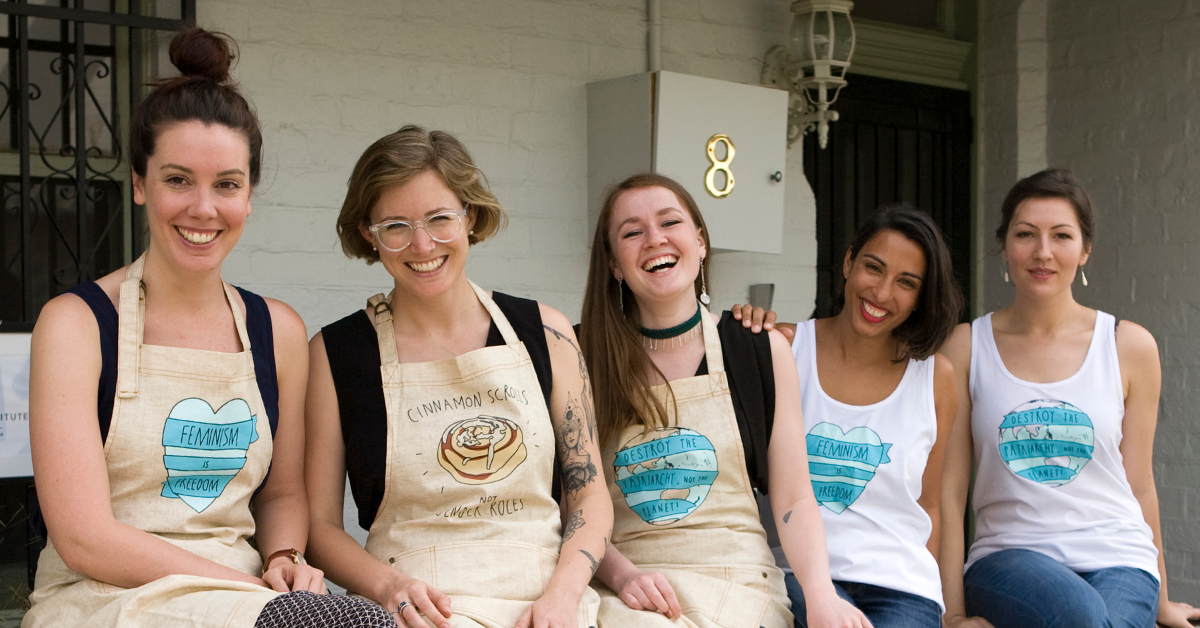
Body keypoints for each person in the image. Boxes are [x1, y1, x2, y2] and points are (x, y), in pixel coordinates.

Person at [24, 28, 391, 628]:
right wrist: (261, 595)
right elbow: (84, 537)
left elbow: (282, 494)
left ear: (249, 197)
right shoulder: (77, 324)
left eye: (226, 184)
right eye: (177, 180)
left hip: (242, 600)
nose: (203, 208)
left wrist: (282, 557)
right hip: (101, 597)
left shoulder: (278, 330)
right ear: (139, 185)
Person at [305, 125, 610, 628]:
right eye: (396, 226)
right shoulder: (336, 355)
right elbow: (318, 526)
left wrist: (564, 595)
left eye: (440, 218)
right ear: (368, 234)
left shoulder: (548, 333)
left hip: (549, 602)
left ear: (470, 217)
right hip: (416, 610)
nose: (422, 245)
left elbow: (589, 494)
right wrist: (387, 586)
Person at [578, 172, 870, 628]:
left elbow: (793, 495)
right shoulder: (580, 356)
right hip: (629, 590)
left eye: (669, 223)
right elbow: (569, 502)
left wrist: (820, 596)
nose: (655, 240)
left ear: (700, 242)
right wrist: (623, 576)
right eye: (632, 232)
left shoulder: (756, 347)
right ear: (614, 263)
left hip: (741, 585)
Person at [939, 168, 1200, 628]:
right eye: (1026, 234)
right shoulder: (966, 347)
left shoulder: (1129, 346)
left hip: (1120, 559)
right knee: (1078, 615)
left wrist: (1161, 603)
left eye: (1061, 235)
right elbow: (949, 489)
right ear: (1005, 245)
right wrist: (953, 614)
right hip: (1008, 558)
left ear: (1085, 250)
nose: (1043, 252)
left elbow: (1139, 484)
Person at [780, 205, 959, 627]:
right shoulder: (786, 349)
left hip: (903, 588)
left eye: (906, 283)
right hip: (799, 577)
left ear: (920, 298)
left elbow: (928, 504)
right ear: (848, 262)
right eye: (873, 268)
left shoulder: (937, 378)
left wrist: (941, 610)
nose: (881, 293)